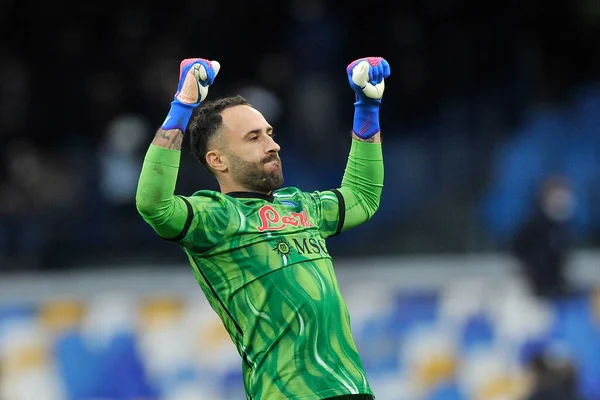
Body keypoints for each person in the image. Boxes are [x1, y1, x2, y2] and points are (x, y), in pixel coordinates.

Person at [135, 56, 390, 400]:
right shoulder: (216, 218)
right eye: (254, 137)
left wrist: (367, 107)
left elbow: (361, 197)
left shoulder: (300, 204)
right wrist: (182, 107)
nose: (273, 145)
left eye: (269, 133)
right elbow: (153, 204)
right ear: (218, 160)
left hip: (351, 390)